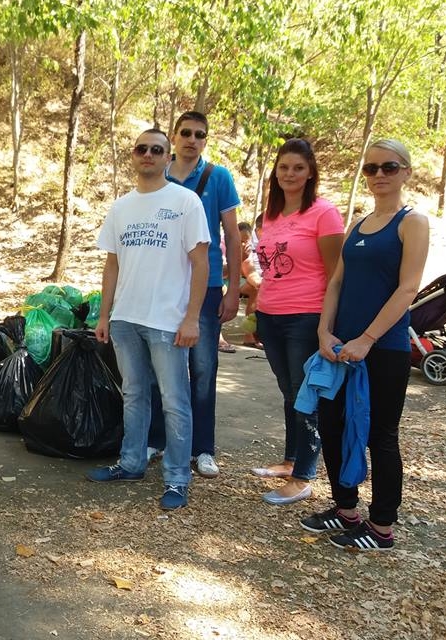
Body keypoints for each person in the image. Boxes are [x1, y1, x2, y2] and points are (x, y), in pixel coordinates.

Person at [300, 139, 428, 550]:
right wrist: (324, 332)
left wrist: (368, 339)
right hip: (340, 348)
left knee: (379, 435)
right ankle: (346, 509)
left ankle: (381, 528)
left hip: (384, 348)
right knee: (332, 427)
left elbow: (408, 288)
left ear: (406, 172)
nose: (379, 175)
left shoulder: (412, 222)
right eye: (371, 168)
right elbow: (336, 282)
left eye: (389, 167)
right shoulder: (358, 224)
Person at [88, 128, 210, 511]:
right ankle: (130, 463)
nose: (148, 155)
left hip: (167, 320)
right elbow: (112, 264)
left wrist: (192, 318)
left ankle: (177, 478)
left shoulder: (186, 202)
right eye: (141, 149)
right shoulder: (121, 207)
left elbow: (201, 263)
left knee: (175, 401)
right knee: (134, 394)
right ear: (133, 155)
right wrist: (105, 314)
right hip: (125, 318)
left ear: (167, 157)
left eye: (156, 150)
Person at [251, 139, 344, 505]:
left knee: (305, 395)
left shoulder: (324, 213)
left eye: (298, 168)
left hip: (306, 315)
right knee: (289, 391)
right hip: (270, 314)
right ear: (276, 172)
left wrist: (327, 325)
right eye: (284, 167)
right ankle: (291, 460)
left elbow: (336, 275)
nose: (290, 174)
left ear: (310, 173)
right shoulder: (271, 214)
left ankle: (303, 476)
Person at [149, 111, 241, 478]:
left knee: (203, 368)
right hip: (163, 283)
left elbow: (231, 234)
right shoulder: (158, 172)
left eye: (199, 134)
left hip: (207, 285)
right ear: (174, 136)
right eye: (185, 132)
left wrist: (234, 289)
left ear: (206, 139)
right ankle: (157, 439)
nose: (192, 139)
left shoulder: (218, 177)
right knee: (159, 364)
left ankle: (202, 448)